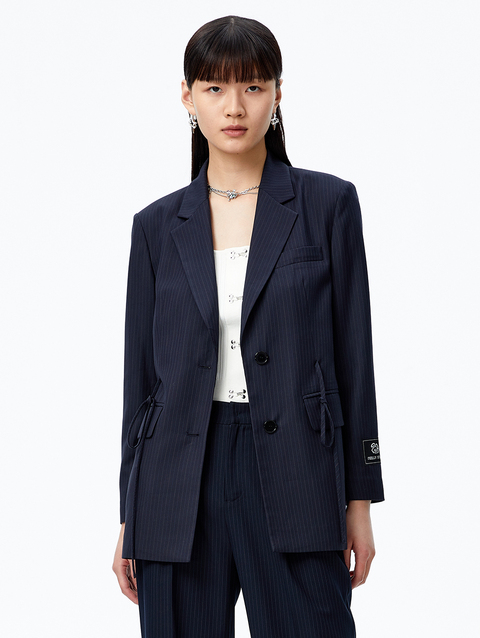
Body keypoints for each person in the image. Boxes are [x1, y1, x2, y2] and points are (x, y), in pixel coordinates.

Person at [113, 15, 384, 638]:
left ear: (278, 94)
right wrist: (130, 513)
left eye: (253, 86)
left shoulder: (328, 205)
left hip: (297, 474)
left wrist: (360, 499)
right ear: (188, 96)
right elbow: (140, 383)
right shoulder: (155, 227)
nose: (234, 107)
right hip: (177, 484)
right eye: (214, 88)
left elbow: (355, 360)